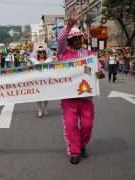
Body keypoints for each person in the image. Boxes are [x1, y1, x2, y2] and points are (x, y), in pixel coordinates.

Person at [57, 9, 105, 165]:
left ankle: (82, 145)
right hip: (69, 99)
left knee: (87, 125)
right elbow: (60, 39)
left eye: (79, 38)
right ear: (70, 41)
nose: (78, 41)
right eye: (75, 39)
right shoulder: (63, 53)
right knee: (71, 126)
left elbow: (97, 68)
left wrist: (100, 73)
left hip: (86, 98)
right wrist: (70, 24)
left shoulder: (90, 54)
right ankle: (75, 151)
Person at [30, 46, 53, 117]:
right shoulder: (34, 61)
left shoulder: (49, 60)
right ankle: (39, 109)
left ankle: (45, 108)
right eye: (40, 52)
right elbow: (31, 70)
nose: (42, 53)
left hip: (46, 81)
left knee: (46, 95)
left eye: (43, 52)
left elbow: (52, 70)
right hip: (37, 81)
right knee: (38, 96)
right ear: (37, 53)